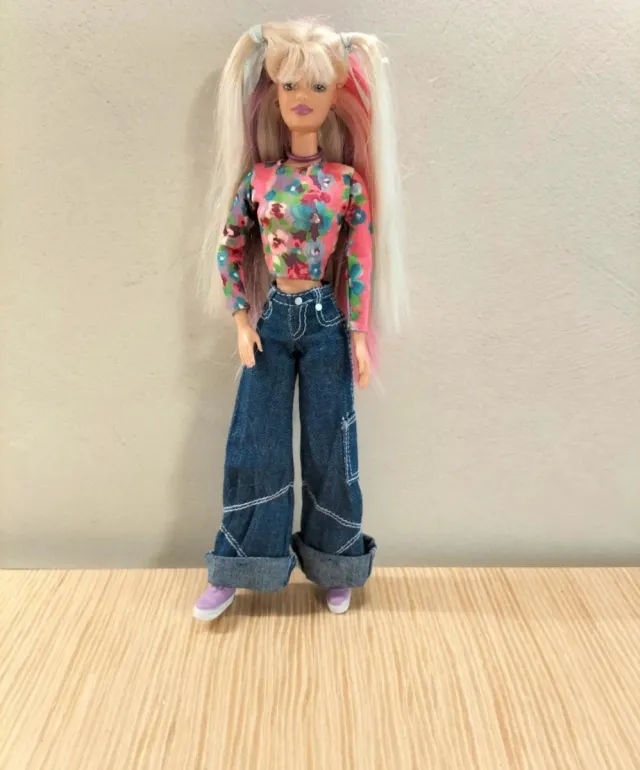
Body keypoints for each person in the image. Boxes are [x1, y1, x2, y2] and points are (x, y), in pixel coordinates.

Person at [193, 20, 405, 620]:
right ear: (274, 95)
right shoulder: (260, 179)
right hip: (271, 323)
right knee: (255, 444)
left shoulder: (347, 184)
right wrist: (241, 319)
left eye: (315, 85)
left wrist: (358, 335)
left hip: (325, 323)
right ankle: (240, 563)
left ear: (337, 93)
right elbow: (229, 247)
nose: (301, 97)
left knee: (331, 446)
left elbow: (359, 260)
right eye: (289, 86)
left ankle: (335, 564)